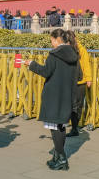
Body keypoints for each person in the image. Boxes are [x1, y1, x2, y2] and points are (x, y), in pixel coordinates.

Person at [24, 29, 78, 170]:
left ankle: (61, 158)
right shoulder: (73, 54)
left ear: (56, 39)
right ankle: (57, 156)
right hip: (66, 94)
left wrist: (31, 64)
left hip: (54, 95)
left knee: (55, 128)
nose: (51, 43)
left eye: (51, 40)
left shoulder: (54, 55)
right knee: (61, 125)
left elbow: (46, 71)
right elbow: (79, 75)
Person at [65, 31, 92, 137]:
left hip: (80, 81)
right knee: (70, 104)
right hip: (69, 81)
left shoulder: (81, 50)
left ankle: (75, 128)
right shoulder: (66, 50)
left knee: (77, 105)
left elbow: (86, 65)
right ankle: (71, 124)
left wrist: (89, 79)